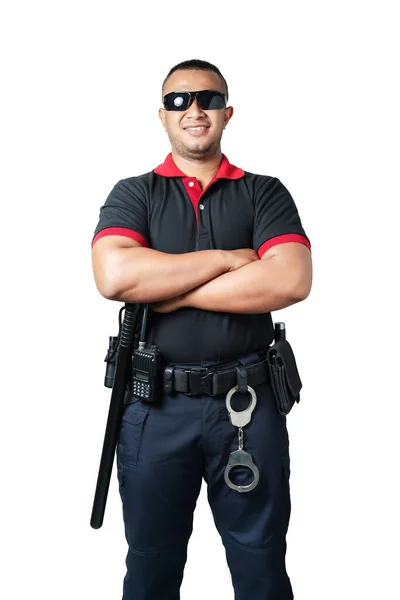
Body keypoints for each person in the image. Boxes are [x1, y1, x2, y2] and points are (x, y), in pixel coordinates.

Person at [91, 58, 312, 600]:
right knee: (150, 563)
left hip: (247, 407)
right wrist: (231, 258)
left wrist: (166, 290)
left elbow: (291, 279)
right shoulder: (135, 193)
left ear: (227, 112)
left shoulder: (264, 192)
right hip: (153, 409)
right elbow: (115, 274)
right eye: (178, 100)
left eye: (208, 99)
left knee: (260, 563)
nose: (194, 110)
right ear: (162, 117)